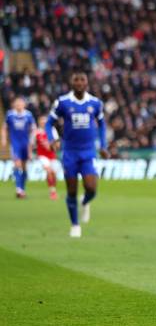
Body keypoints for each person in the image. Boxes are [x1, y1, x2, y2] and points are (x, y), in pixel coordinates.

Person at [46, 72, 110, 237]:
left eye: (82, 80)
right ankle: (75, 225)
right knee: (71, 190)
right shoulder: (63, 102)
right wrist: (53, 139)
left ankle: (85, 201)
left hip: (88, 152)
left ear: (87, 83)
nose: (80, 83)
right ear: (71, 82)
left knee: (91, 188)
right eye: (76, 80)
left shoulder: (95, 103)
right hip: (70, 152)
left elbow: (102, 125)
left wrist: (103, 145)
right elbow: (48, 123)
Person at [1, 97, 35, 198]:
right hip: (15, 144)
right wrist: (3, 138)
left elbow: (33, 128)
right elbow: (4, 128)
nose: (19, 105)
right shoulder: (10, 114)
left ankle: (22, 189)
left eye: (21, 103)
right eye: (17, 103)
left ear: (24, 104)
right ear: (14, 105)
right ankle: (18, 189)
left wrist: (32, 142)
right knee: (17, 164)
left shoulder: (28, 115)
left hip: (26, 144)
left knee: (24, 167)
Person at [35, 115, 59, 200]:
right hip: (42, 156)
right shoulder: (36, 132)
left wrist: (53, 146)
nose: (43, 122)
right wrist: (30, 152)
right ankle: (52, 191)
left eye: (45, 121)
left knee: (54, 174)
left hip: (52, 155)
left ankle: (54, 189)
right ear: (39, 122)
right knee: (49, 171)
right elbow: (31, 144)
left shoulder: (52, 130)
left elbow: (57, 144)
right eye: (42, 121)